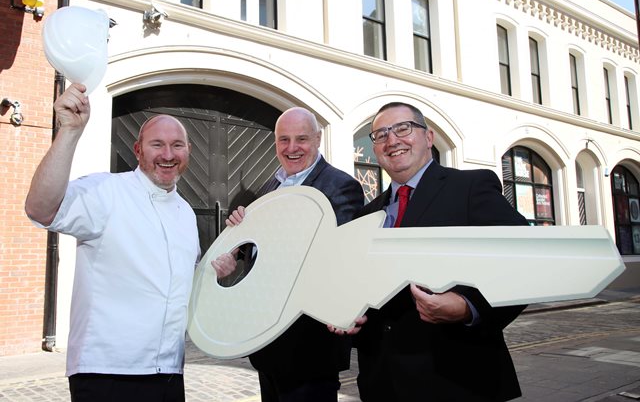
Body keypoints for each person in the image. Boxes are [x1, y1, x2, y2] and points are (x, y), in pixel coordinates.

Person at [24, 83, 203, 402]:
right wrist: (70, 132)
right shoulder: (106, 192)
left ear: (188, 152)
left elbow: (190, 284)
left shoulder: (187, 214)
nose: (167, 154)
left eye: (177, 145)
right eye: (157, 144)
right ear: (137, 150)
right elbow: (40, 208)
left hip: (170, 373)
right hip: (107, 374)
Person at [352, 102, 528, 402]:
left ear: (428, 137)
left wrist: (468, 306)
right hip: (382, 384)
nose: (392, 140)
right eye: (381, 135)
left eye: (403, 128)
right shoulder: (368, 215)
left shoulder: (470, 186)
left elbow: (524, 258)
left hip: (457, 382)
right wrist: (348, 314)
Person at [215, 107, 365, 402]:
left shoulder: (341, 186)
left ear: (318, 139)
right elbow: (263, 249)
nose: (292, 148)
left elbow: (335, 255)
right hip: (269, 343)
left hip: (309, 347)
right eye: (284, 140)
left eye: (301, 139)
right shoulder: (271, 186)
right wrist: (241, 240)